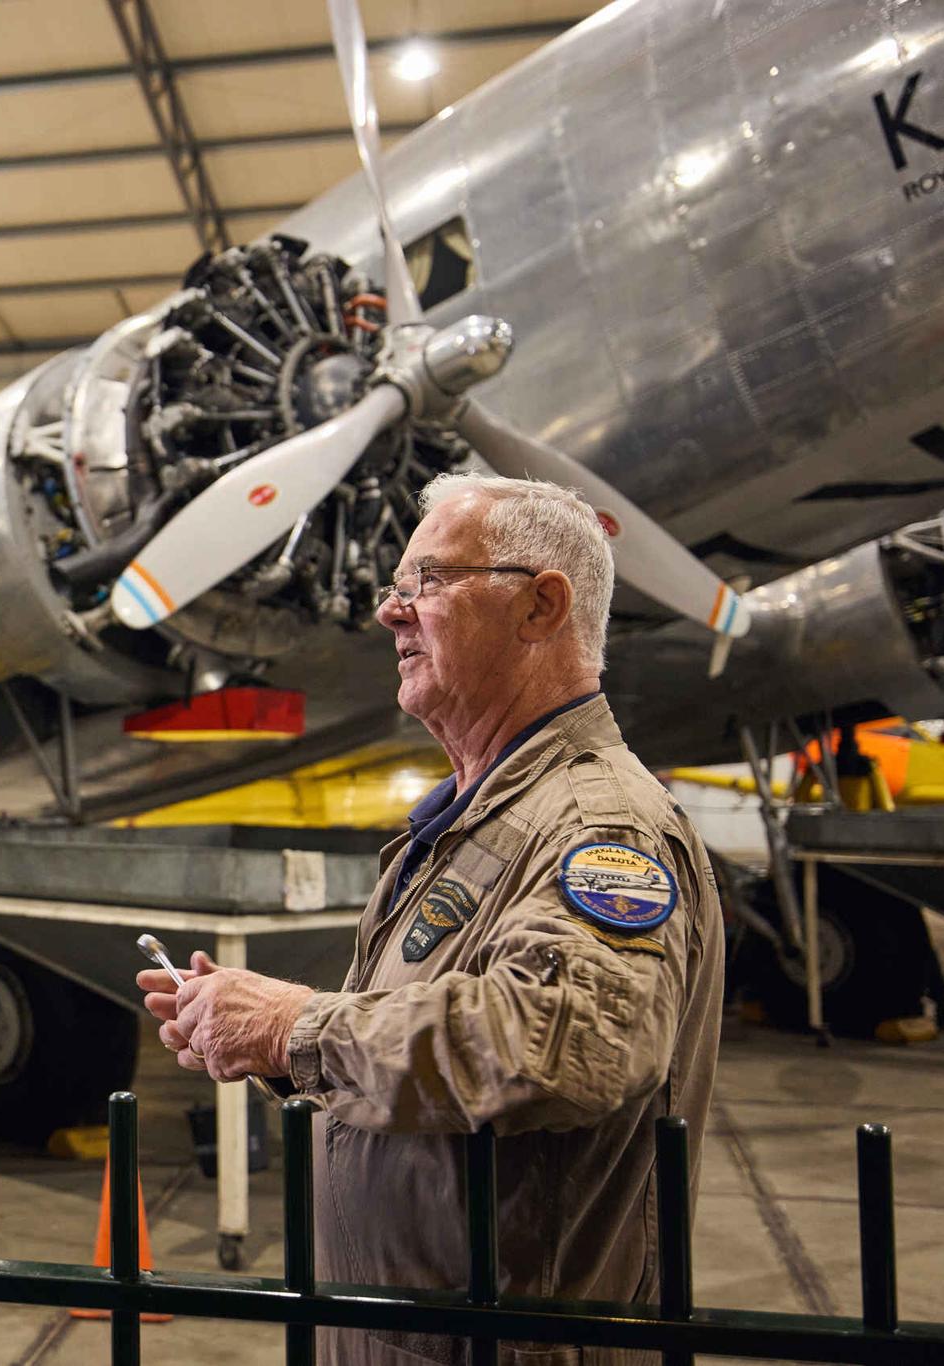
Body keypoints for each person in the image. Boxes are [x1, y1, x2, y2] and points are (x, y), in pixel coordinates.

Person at [139, 474, 724, 1366]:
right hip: (413, 1335)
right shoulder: (475, 811)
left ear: (540, 607)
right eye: (394, 589)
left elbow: (566, 1042)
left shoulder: (597, 824)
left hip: (498, 1349)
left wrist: (296, 1027)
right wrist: (265, 1037)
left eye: (427, 584)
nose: (391, 615)